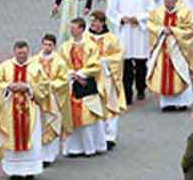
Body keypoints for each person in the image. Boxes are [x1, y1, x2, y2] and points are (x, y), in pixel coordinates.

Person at [0, 41, 48, 180]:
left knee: (32, 139)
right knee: (11, 137)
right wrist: (9, 86)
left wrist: (29, 88)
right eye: (19, 53)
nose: (21, 56)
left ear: (28, 52)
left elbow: (44, 86)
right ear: (14, 52)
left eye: (24, 53)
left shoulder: (36, 67)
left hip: (30, 110)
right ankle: (14, 171)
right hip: (10, 110)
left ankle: (30, 171)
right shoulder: (5, 67)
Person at [146, 0, 193, 111]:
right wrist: (161, 30)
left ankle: (183, 102)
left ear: (176, 0)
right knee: (162, 74)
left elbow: (190, 30)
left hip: (178, 48)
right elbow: (150, 24)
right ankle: (167, 104)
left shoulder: (184, 12)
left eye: (171, 1)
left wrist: (173, 31)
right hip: (163, 46)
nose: (168, 3)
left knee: (180, 72)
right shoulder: (158, 11)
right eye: (166, 1)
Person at [106, 0, 155, 105]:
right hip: (125, 31)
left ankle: (140, 88)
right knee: (126, 63)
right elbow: (111, 11)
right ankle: (127, 93)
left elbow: (151, 10)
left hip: (139, 30)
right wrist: (121, 18)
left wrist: (139, 18)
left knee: (141, 63)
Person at [58, 18, 106, 157]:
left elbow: (95, 65)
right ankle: (74, 148)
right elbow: (60, 64)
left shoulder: (91, 46)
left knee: (87, 116)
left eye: (74, 28)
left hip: (86, 83)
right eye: (71, 27)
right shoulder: (65, 46)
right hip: (71, 83)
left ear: (81, 29)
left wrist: (81, 74)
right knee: (71, 116)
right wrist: (71, 74)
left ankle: (91, 147)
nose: (71, 30)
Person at [86, 10, 126, 149]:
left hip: (107, 77)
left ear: (102, 23)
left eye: (96, 22)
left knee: (110, 105)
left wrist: (105, 61)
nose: (93, 24)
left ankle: (109, 136)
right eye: (92, 21)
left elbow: (119, 56)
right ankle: (97, 135)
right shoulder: (86, 38)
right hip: (92, 77)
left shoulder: (112, 39)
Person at [32, 34, 72, 166]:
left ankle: (49, 155)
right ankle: (39, 154)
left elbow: (64, 80)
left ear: (54, 46)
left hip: (53, 97)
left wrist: (50, 86)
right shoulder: (34, 61)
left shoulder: (60, 62)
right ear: (41, 44)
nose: (47, 47)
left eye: (50, 45)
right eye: (45, 44)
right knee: (39, 125)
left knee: (52, 123)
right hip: (39, 98)